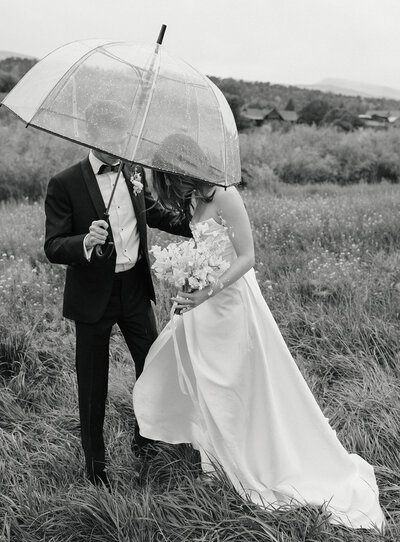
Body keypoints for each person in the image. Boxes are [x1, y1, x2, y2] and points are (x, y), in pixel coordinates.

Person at [133, 161, 385, 529]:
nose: (168, 183)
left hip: (233, 305)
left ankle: (258, 456)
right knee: (210, 382)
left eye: (169, 176)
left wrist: (207, 291)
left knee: (242, 383)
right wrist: (187, 277)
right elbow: (202, 251)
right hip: (204, 308)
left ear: (185, 166)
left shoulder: (225, 195)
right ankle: (221, 458)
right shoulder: (190, 200)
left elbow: (247, 257)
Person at [44, 100, 191, 488]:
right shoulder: (65, 183)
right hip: (92, 296)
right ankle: (96, 467)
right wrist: (84, 241)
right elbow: (53, 245)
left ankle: (145, 439)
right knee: (93, 385)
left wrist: (198, 226)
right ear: (92, 136)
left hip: (134, 290)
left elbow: (153, 214)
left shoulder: (134, 171)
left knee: (154, 366)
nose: (117, 147)